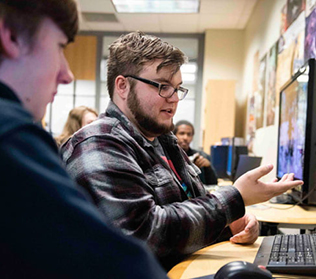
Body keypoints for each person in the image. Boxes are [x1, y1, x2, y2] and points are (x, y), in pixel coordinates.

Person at [61, 31, 303, 270]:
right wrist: (235, 199)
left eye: (177, 88)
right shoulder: (97, 144)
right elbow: (145, 235)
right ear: (123, 86)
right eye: (163, 86)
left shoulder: (165, 141)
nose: (175, 98)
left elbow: (195, 208)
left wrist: (234, 222)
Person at [0, 1, 168, 278]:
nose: (67, 75)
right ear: (12, 37)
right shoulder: (12, 136)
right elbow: (113, 261)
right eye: (60, 46)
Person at [174, 120, 218, 185]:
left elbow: (213, 184)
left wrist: (208, 167)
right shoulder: (167, 156)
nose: (185, 138)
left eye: (189, 134)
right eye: (181, 133)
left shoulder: (202, 156)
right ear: (174, 135)